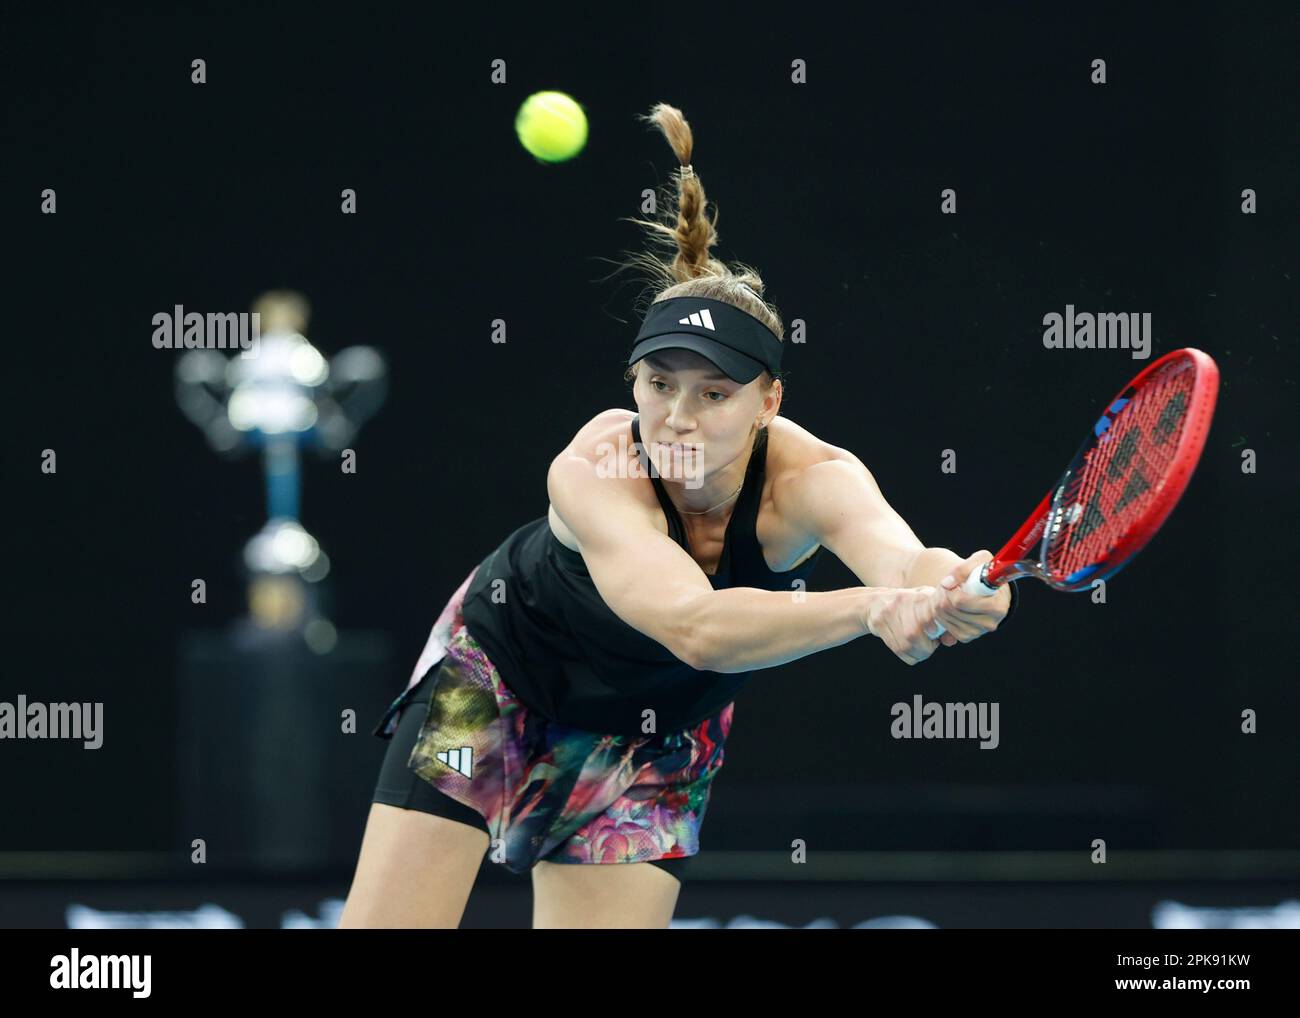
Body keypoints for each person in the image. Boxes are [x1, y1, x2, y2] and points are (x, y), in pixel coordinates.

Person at [338, 102, 1016, 930]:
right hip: (489, 686)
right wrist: (873, 611)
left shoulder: (813, 477)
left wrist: (961, 589)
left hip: (651, 737)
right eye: (659, 385)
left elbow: (905, 561)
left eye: (714, 393)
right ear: (632, 384)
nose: (678, 418)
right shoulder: (594, 469)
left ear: (769, 400)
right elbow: (694, 626)